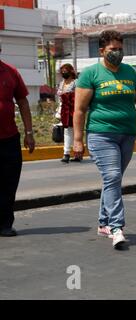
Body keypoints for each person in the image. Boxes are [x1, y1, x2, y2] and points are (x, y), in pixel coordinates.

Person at [73, 30, 136, 249]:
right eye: (112, 49)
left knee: (112, 179)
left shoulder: (130, 72)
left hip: (127, 134)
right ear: (102, 51)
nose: (117, 53)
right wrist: (78, 139)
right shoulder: (90, 74)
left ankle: (103, 222)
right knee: (113, 175)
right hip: (101, 133)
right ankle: (116, 227)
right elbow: (79, 109)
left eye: (120, 49)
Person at [0, 40, 35, 237]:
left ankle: (5, 223)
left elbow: (22, 101)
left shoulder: (11, 72)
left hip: (9, 138)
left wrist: (29, 133)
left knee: (9, 182)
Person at [56, 63, 80, 163]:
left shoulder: (76, 83)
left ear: (70, 72)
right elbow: (59, 98)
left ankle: (77, 154)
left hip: (74, 110)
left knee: (76, 132)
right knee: (67, 131)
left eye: (65, 71)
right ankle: (66, 153)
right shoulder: (61, 83)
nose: (63, 73)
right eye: (62, 71)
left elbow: (79, 96)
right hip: (64, 110)